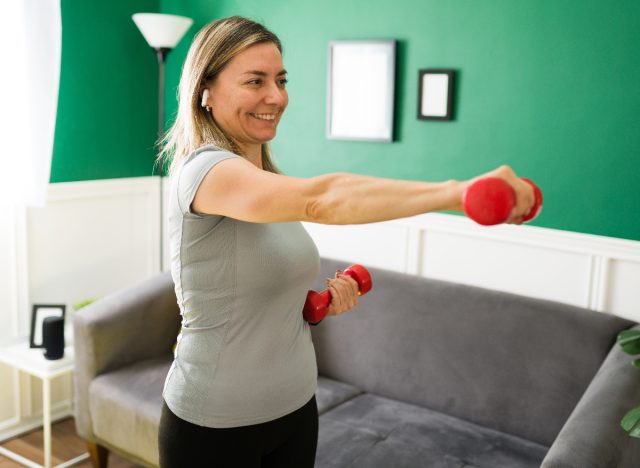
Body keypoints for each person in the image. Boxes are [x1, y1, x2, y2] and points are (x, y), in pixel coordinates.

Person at [157, 15, 535, 468]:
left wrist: (314, 305)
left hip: (294, 409)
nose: (276, 97)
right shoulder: (205, 173)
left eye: (281, 79)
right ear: (206, 91)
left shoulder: (268, 182)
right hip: (213, 425)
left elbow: (248, 294)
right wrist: (460, 193)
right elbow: (323, 199)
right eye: (254, 81)